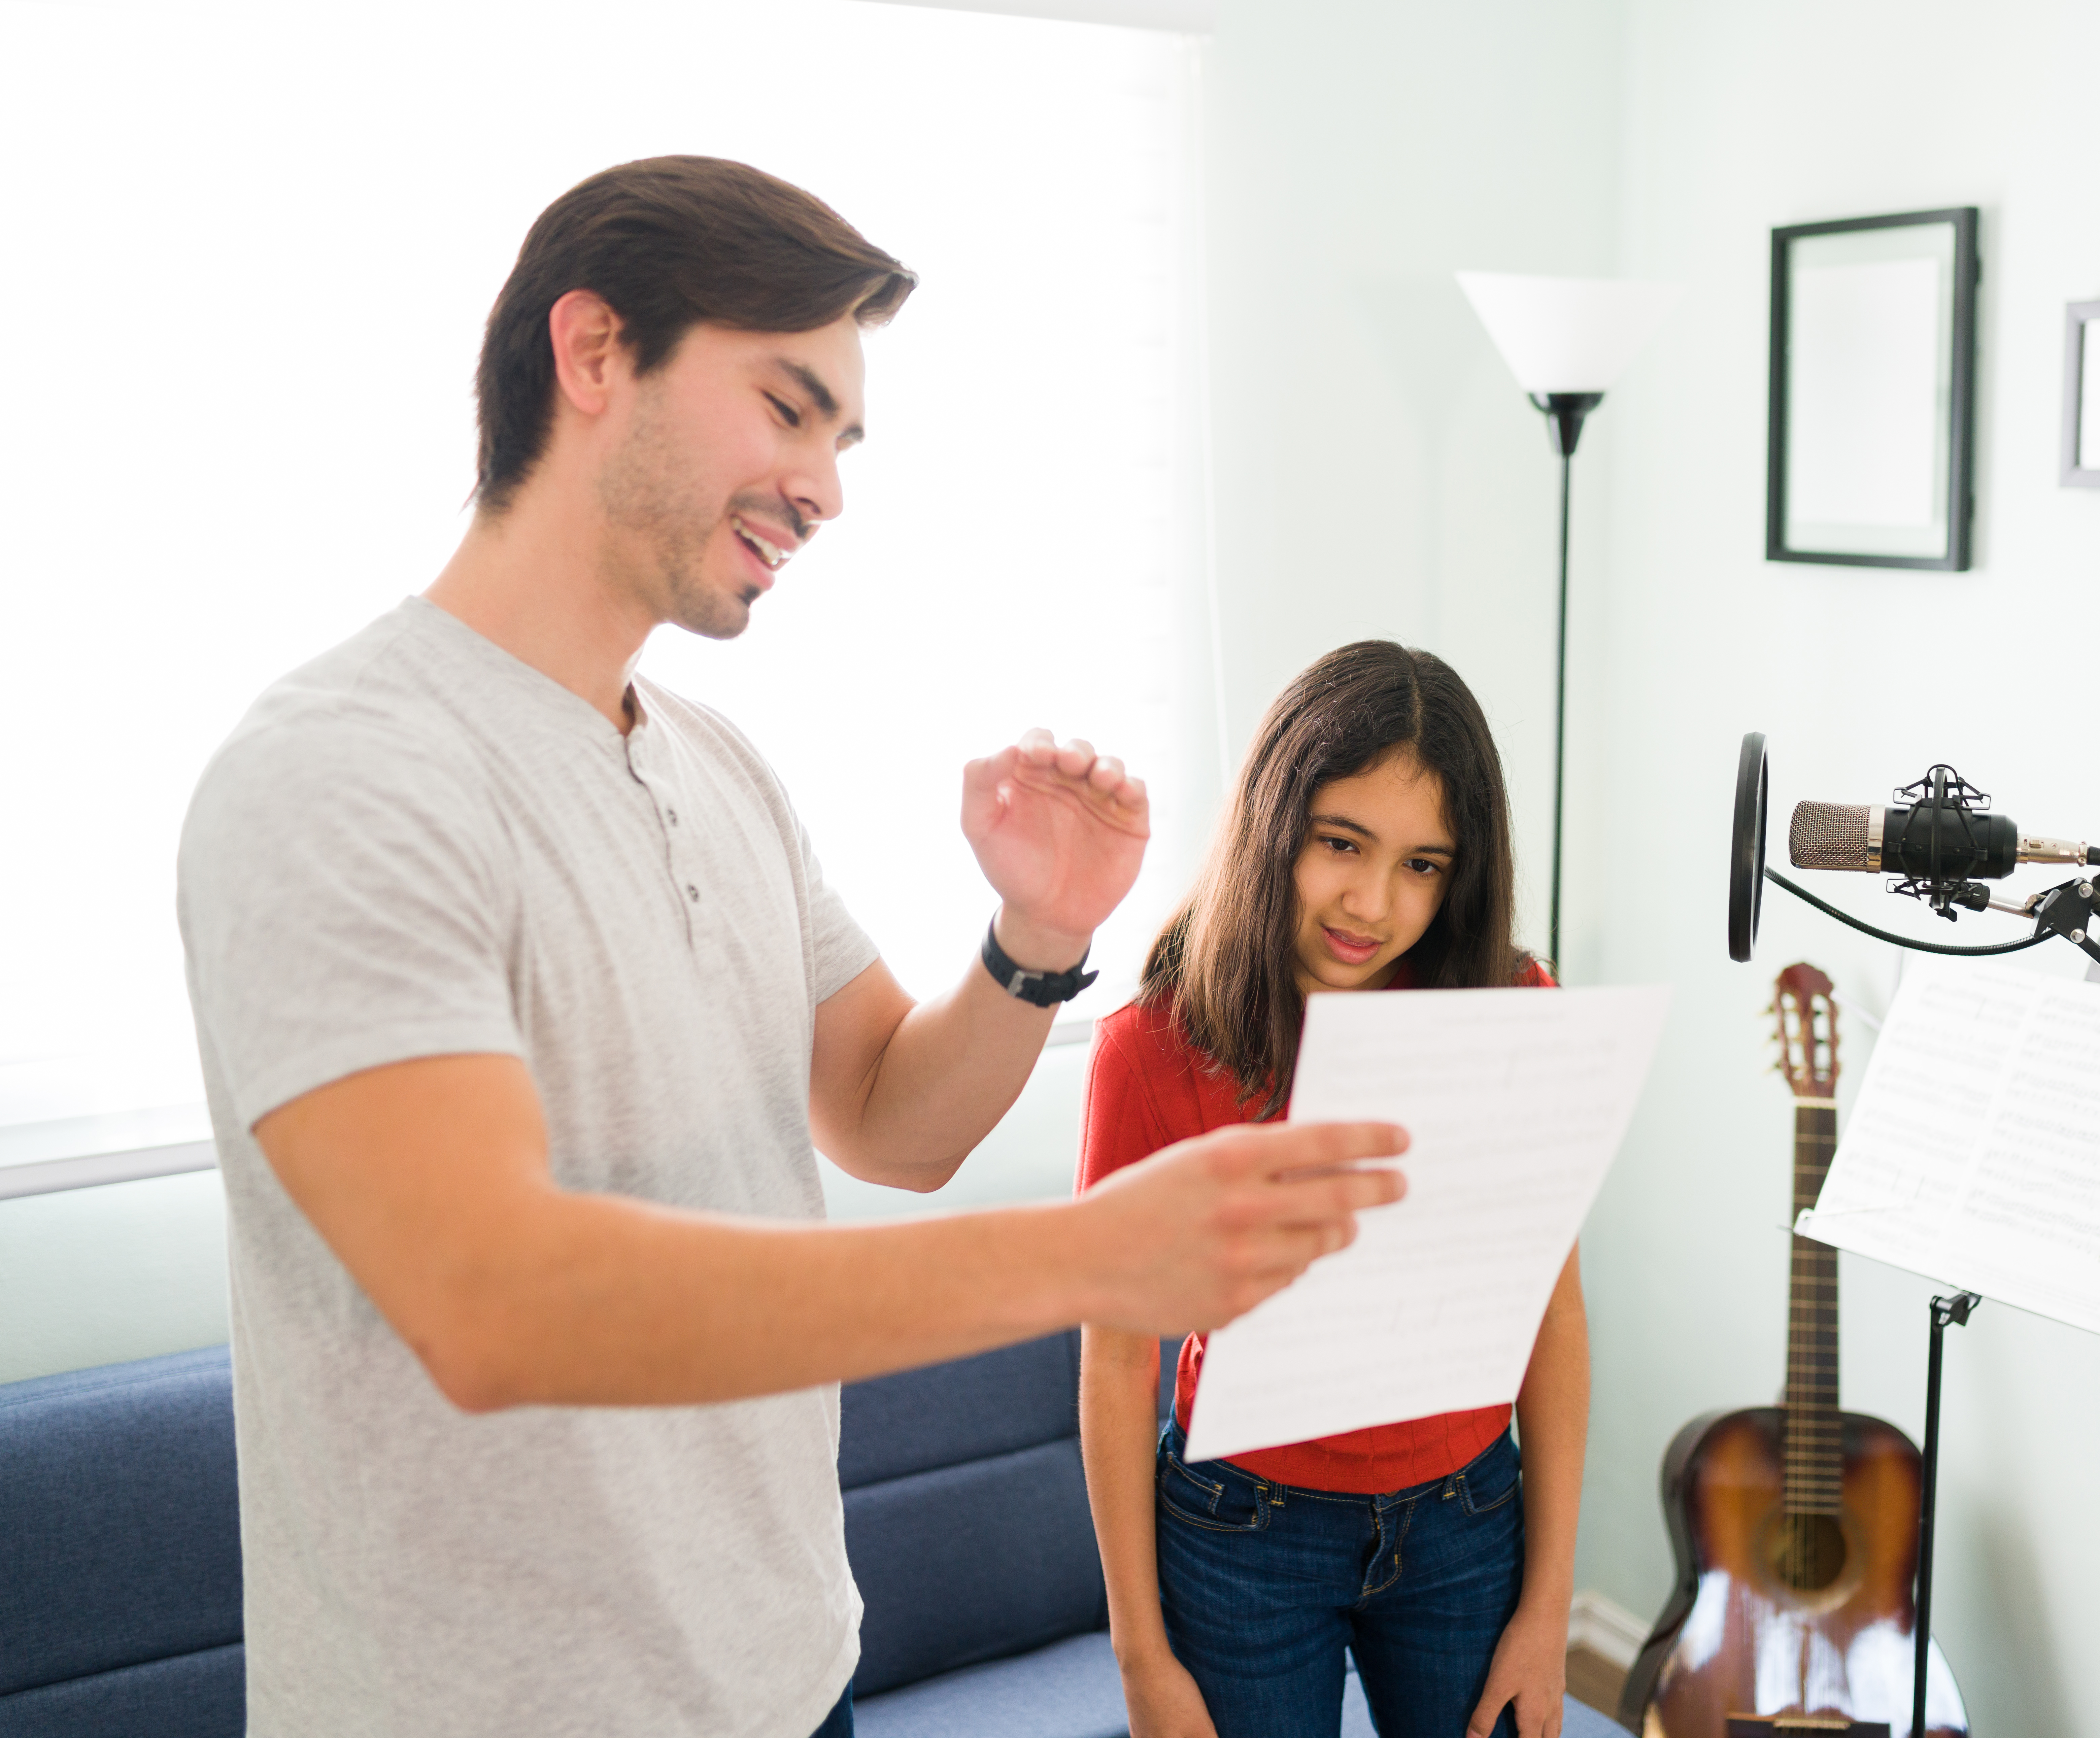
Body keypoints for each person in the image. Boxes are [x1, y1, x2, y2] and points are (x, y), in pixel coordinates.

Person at [174, 156, 1405, 1738]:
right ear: (596, 351)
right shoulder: (345, 771)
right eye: (788, 406)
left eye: (842, 436)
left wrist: (1037, 936)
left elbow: (895, 1122)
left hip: (779, 1677)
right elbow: (491, 1304)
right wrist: (1097, 1254)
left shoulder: (719, 768)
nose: (825, 486)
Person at [1076, 642, 1586, 1738]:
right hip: (1241, 1530)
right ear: (1277, 822)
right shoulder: (1150, 1052)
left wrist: (1549, 1611)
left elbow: (1552, 1309)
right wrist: (1139, 1657)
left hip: (1467, 1514)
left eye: (1423, 864)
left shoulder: (1510, 1006)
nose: (1373, 901)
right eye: (1341, 844)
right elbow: (1117, 1357)